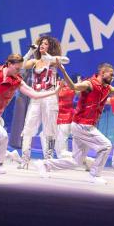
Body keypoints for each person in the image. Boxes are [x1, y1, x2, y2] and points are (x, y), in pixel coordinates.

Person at [35, 62, 114, 185]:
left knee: (76, 161)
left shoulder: (107, 88)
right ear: (102, 73)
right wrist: (63, 71)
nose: (113, 77)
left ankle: (45, 164)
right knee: (106, 146)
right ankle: (95, 175)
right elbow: (73, 86)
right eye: (111, 74)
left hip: (83, 125)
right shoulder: (89, 84)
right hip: (83, 124)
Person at [19, 36, 65, 168]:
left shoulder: (53, 61)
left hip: (49, 97)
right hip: (35, 97)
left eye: (45, 44)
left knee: (49, 129)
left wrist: (49, 57)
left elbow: (66, 60)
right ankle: (25, 160)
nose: (42, 45)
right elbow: (21, 66)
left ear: (50, 47)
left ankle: (48, 161)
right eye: (41, 43)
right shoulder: (34, 61)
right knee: (28, 127)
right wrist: (29, 52)